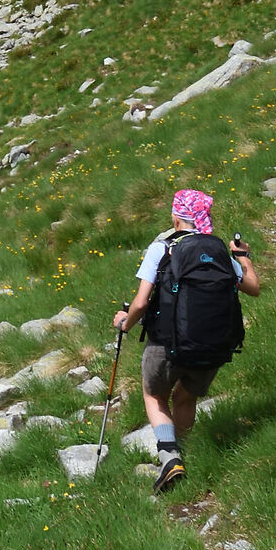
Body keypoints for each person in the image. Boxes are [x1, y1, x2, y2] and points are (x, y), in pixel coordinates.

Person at [112, 188, 260, 494]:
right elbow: (253, 288)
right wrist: (243, 258)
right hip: (213, 347)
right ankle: (183, 454)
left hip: (167, 343)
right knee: (185, 397)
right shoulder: (219, 250)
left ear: (176, 216)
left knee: (154, 395)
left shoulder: (164, 248)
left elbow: (140, 302)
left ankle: (170, 457)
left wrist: (125, 323)